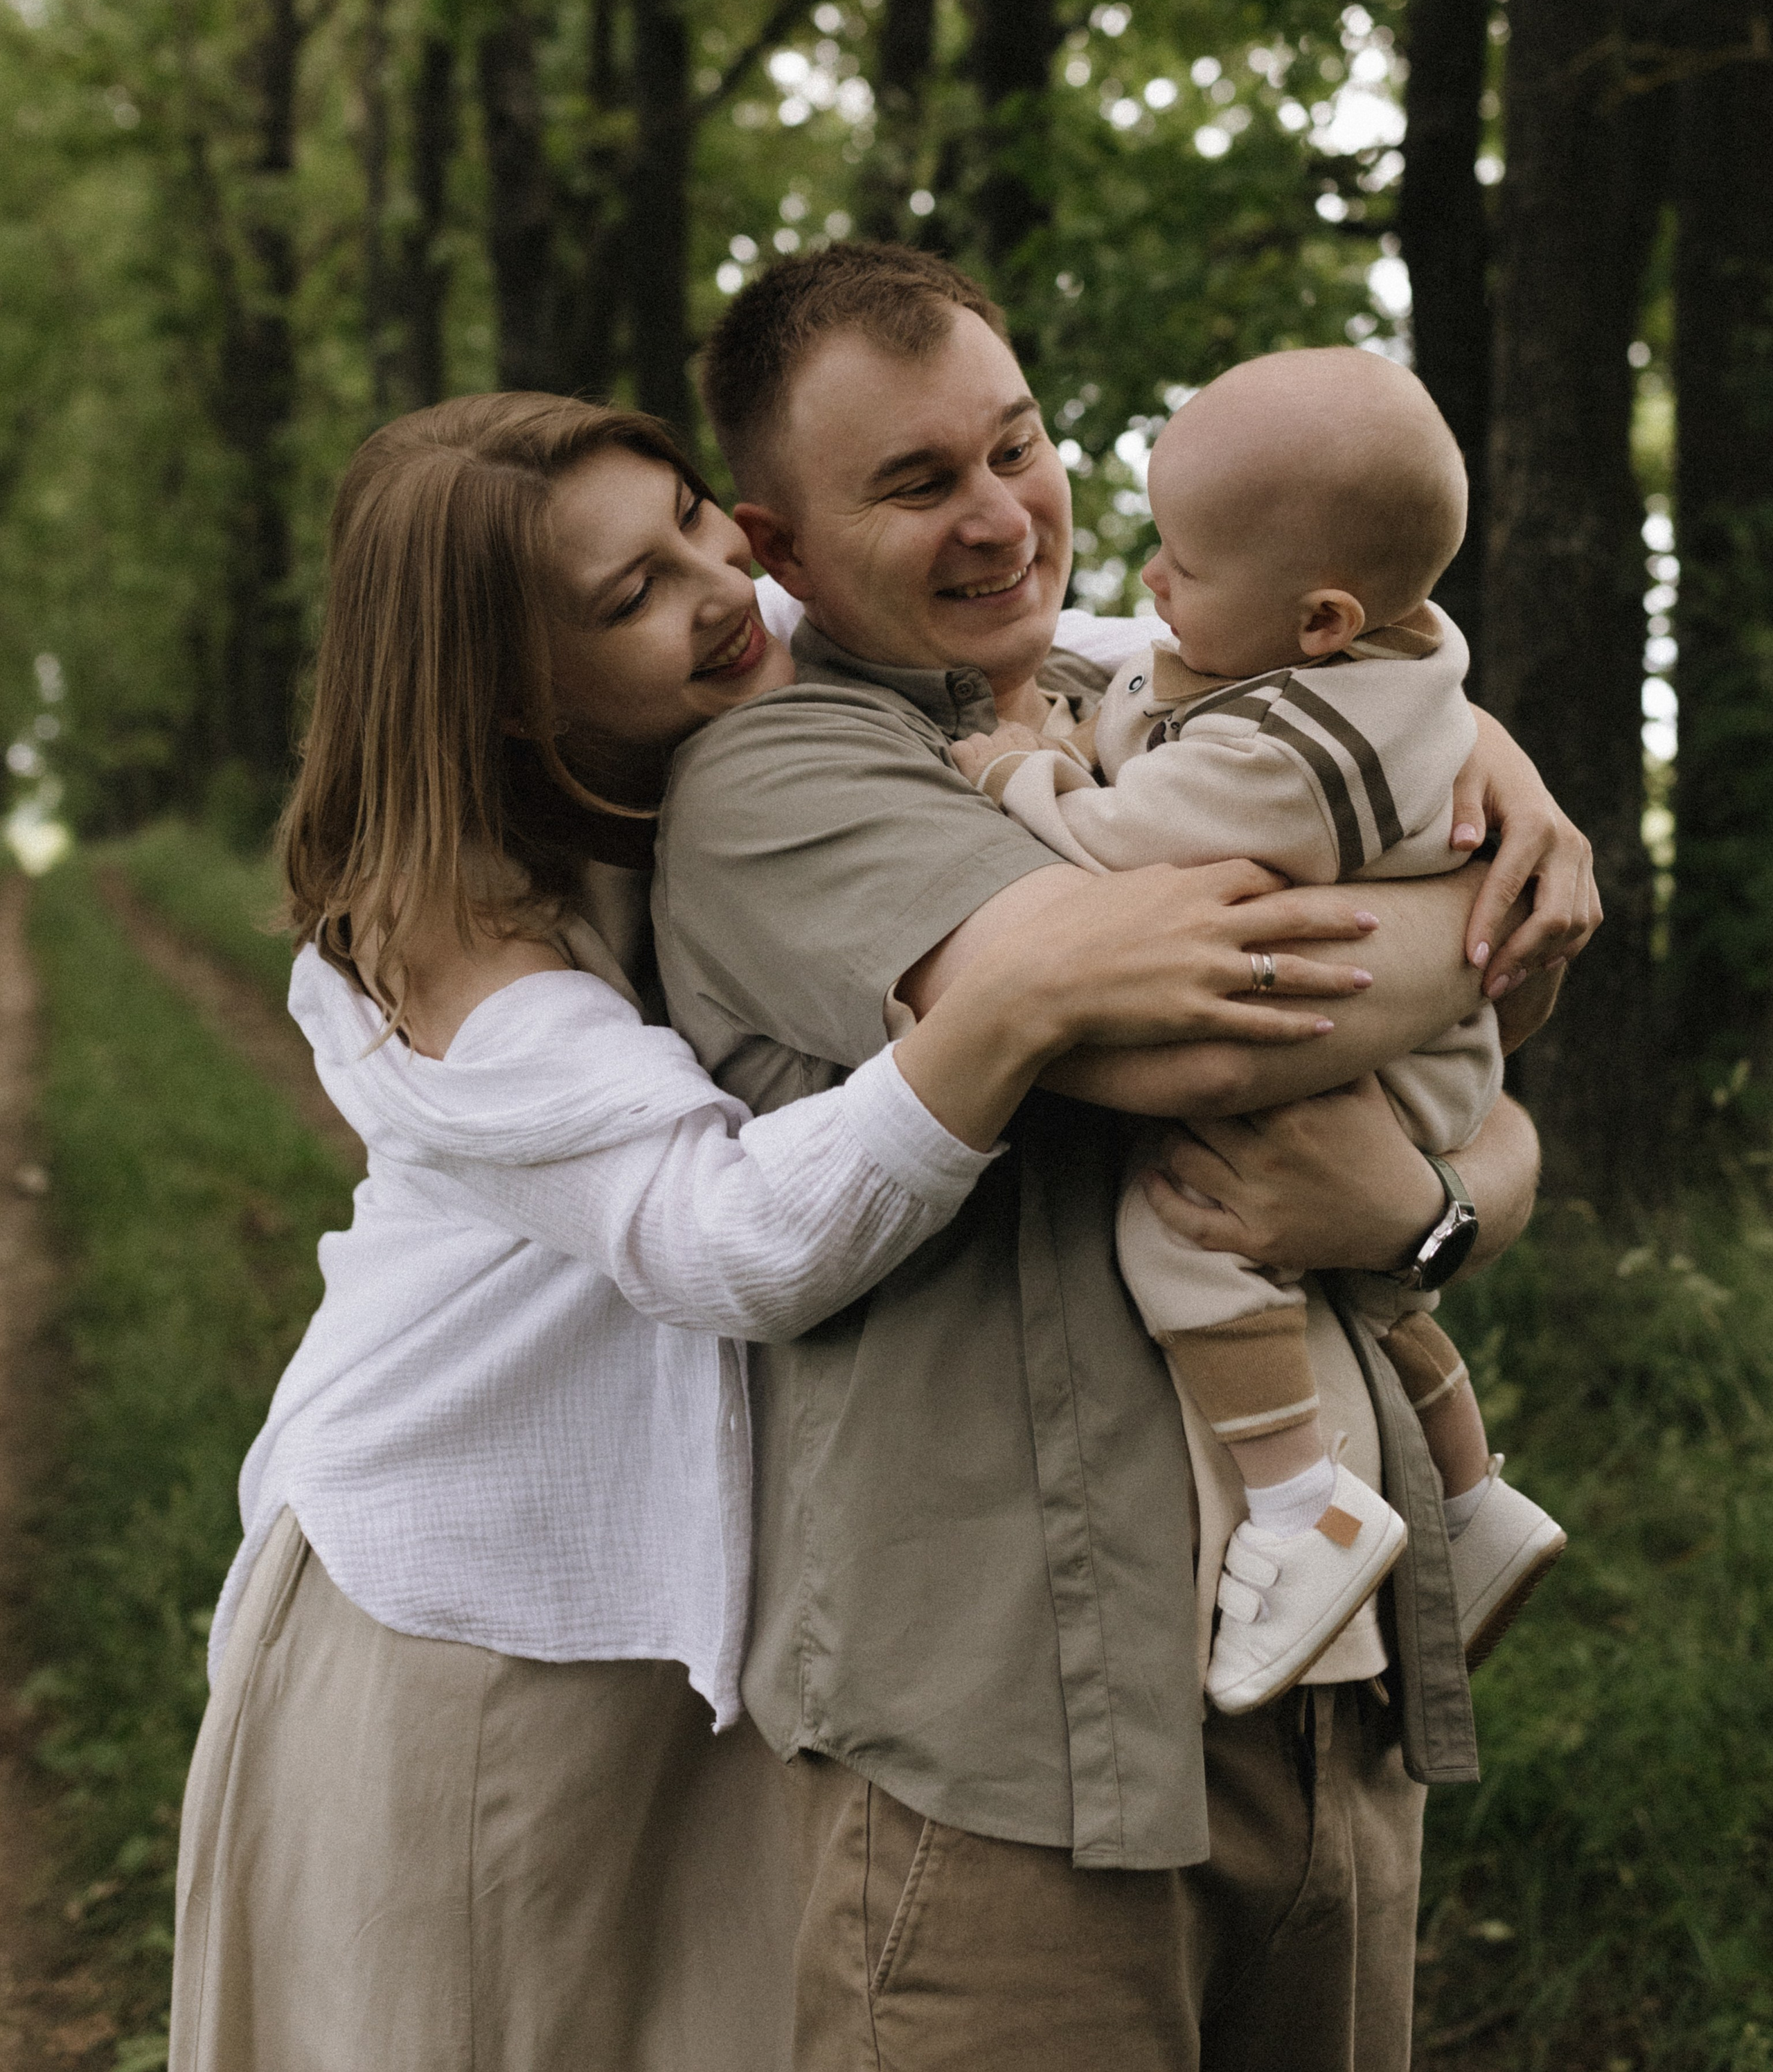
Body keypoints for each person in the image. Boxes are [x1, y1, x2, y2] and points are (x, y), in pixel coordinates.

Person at [167, 394, 1366, 2072]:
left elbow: (1088, 636)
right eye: (629, 595)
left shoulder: (742, 656)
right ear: (509, 694)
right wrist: (1003, 1007)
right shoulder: (440, 937)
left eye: (691, 519)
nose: (720, 588)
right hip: (480, 1625)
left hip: (718, 1618)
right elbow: (723, 1244)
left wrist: (1454, 738)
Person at [655, 242, 1598, 2071]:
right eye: (917, 482)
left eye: (1014, 445)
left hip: (1331, 1718)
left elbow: (1472, 1123)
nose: (1000, 515)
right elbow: (1192, 1041)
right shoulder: (779, 782)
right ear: (780, 546)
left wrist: (1431, 1209)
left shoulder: (1168, 700)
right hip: (1009, 1760)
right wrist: (1493, 904)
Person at [952, 345, 1567, 1714]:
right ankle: (1473, 1500)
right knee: (1357, 1279)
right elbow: (1148, 685)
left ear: (1320, 619)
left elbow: (1120, 848)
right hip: (1416, 1048)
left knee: (1184, 1227)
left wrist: (1013, 770)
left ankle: (1299, 1510)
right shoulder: (1357, 662)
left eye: (1181, 562)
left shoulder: (1299, 753)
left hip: (1393, 1071)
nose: (1150, 582)